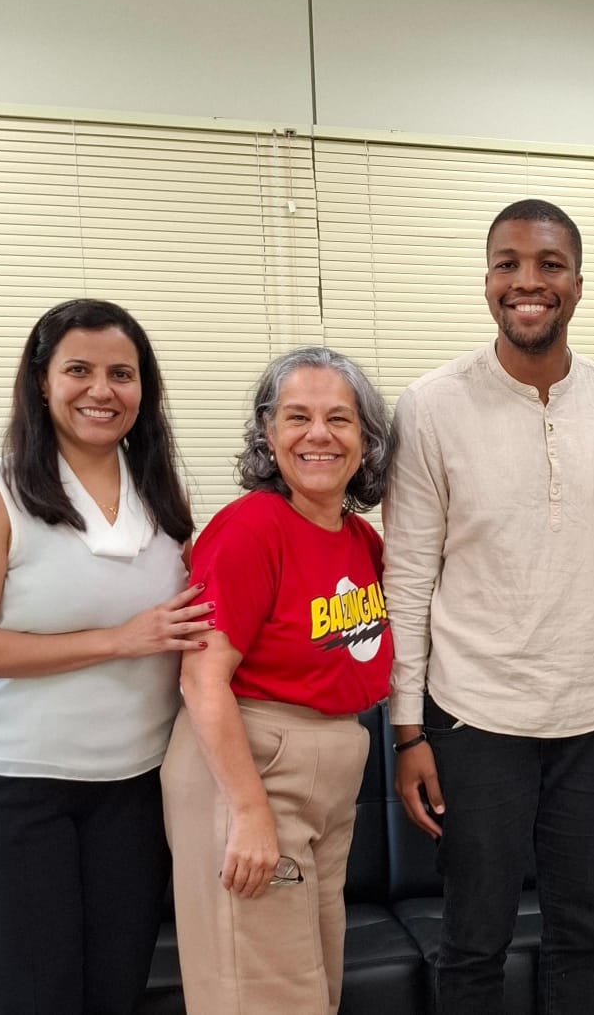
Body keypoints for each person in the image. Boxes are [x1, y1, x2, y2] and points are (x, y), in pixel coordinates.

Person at [384, 198, 594, 1013]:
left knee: (586, 932)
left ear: (578, 283)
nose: (527, 282)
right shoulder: (431, 404)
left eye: (548, 265)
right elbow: (408, 574)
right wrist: (407, 731)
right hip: (476, 717)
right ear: (487, 279)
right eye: (508, 264)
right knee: (473, 940)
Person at [0, 298, 207, 1014]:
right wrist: (119, 639)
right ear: (41, 381)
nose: (101, 389)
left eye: (122, 372)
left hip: (133, 790)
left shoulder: (162, 497)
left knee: (115, 995)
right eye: (78, 369)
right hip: (10, 791)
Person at [161, 346, 393, 1013]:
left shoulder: (358, 539)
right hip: (254, 762)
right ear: (268, 433)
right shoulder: (251, 528)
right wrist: (249, 808)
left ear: (365, 439)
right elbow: (201, 680)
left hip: (332, 767)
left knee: (311, 985)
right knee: (259, 992)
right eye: (297, 416)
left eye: (339, 419)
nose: (319, 434)